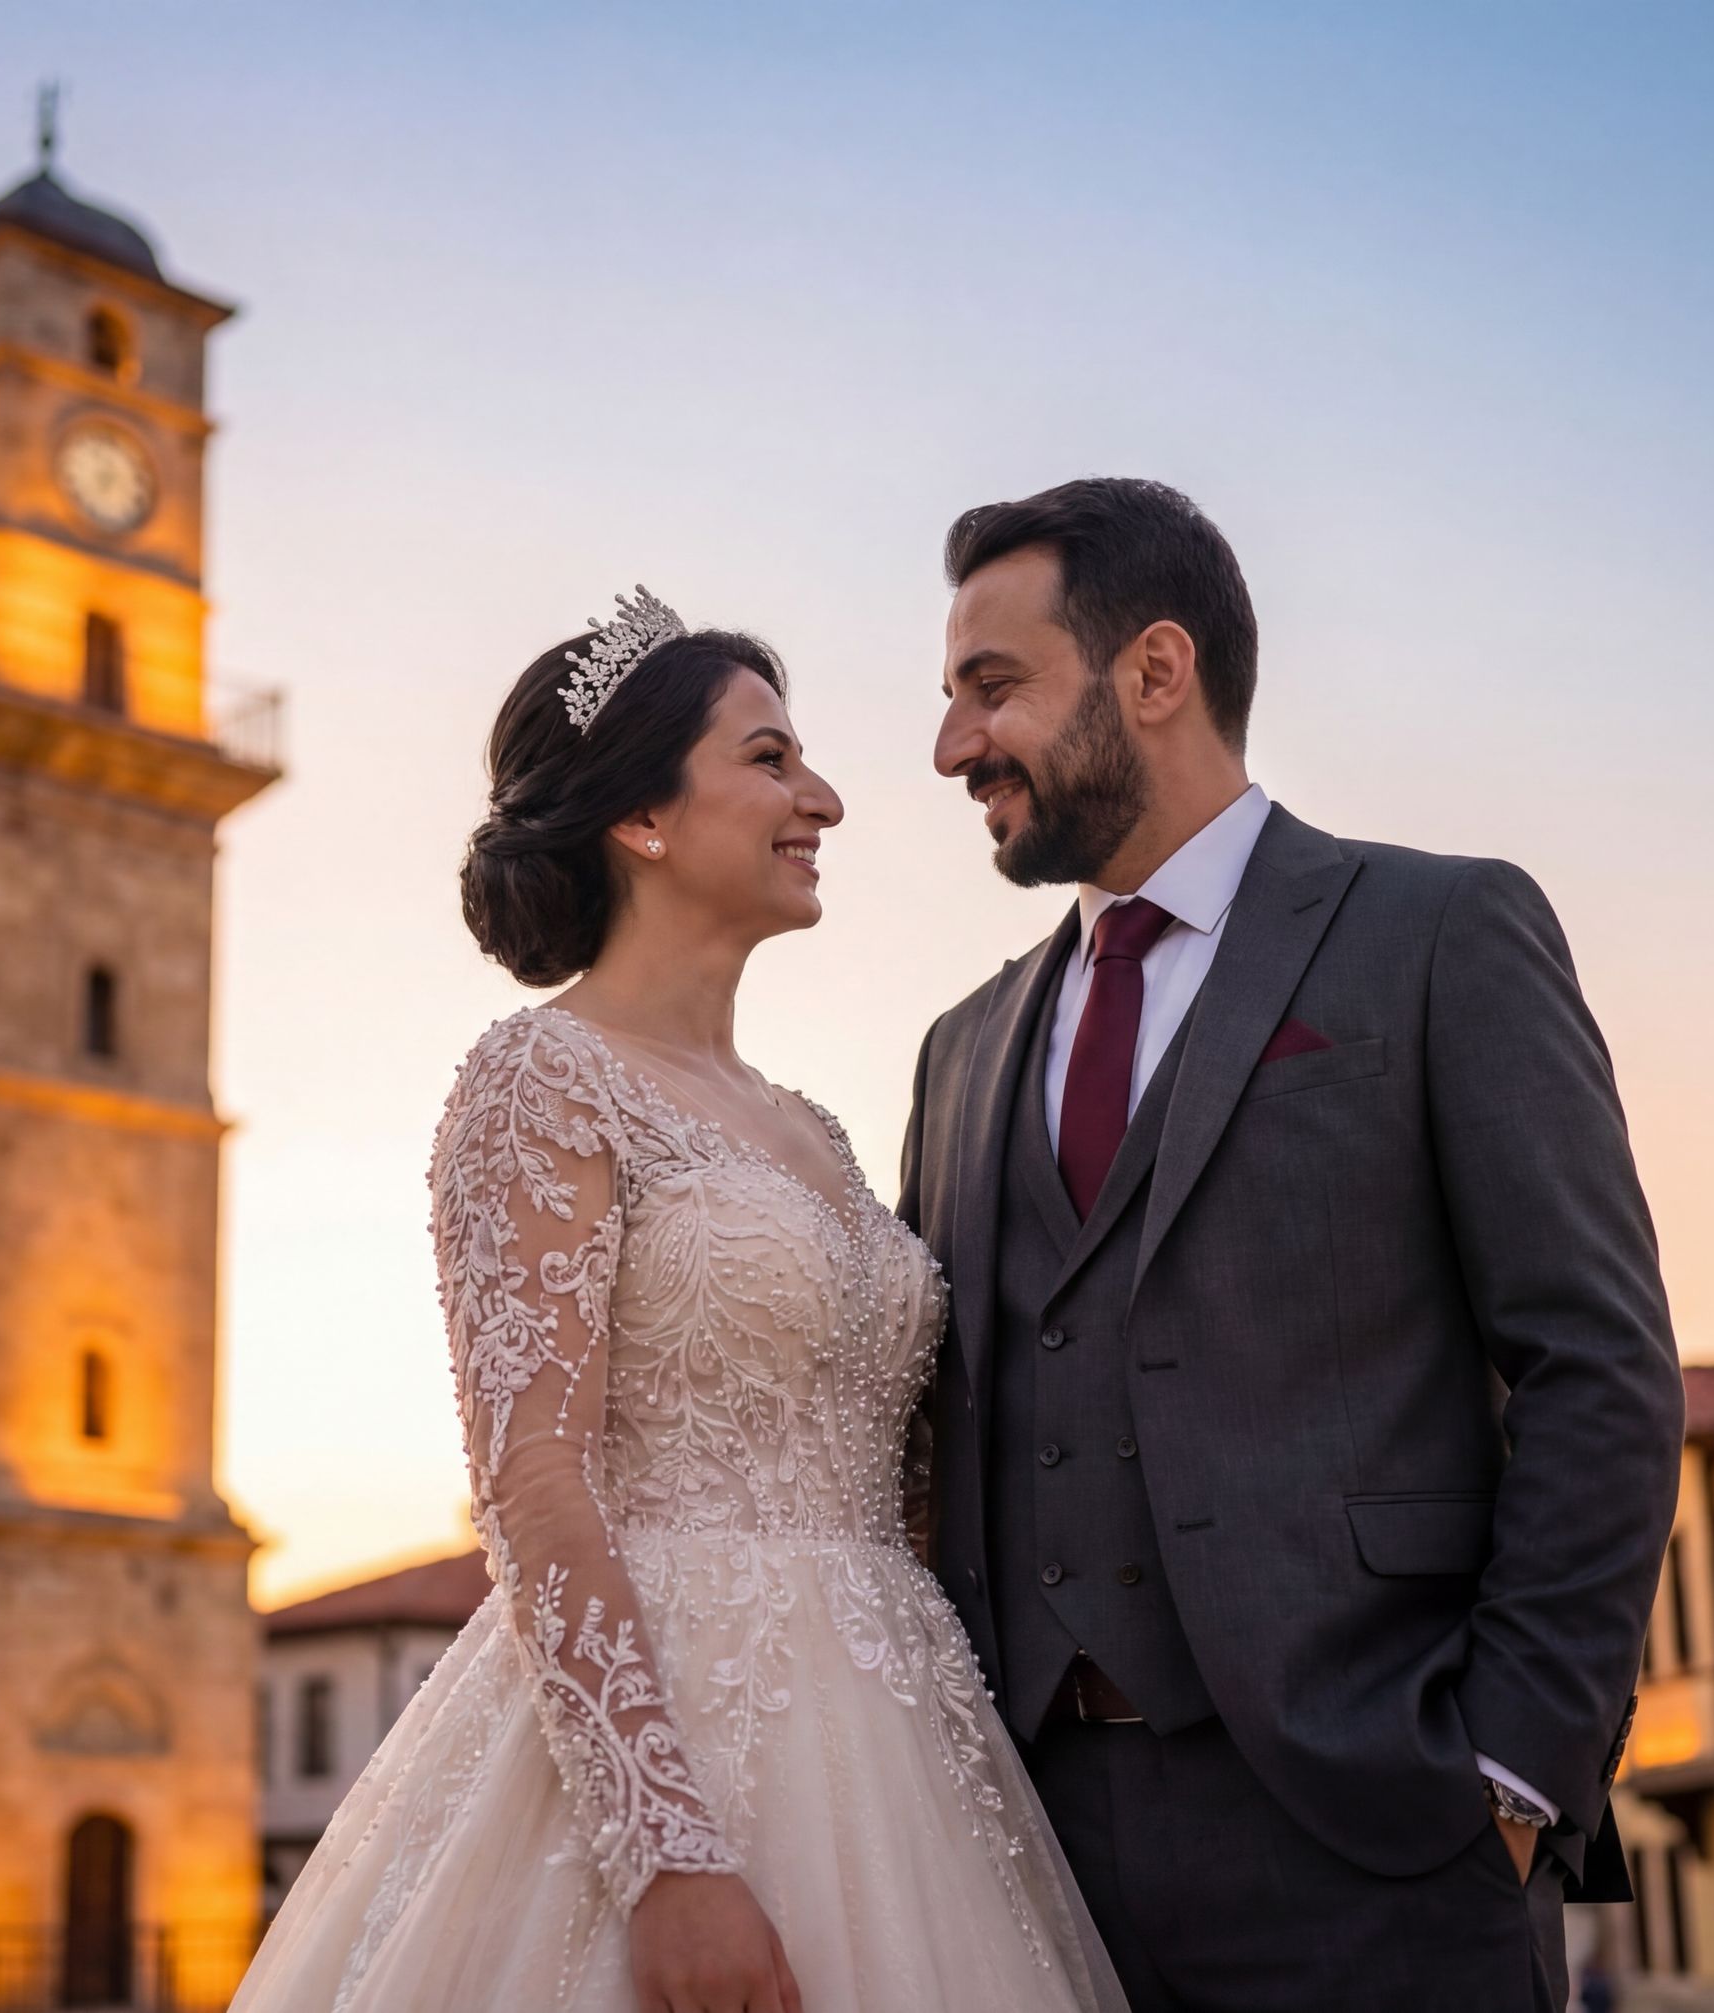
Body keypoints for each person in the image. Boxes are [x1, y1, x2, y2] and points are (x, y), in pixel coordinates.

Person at [232, 596, 1125, 2012]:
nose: (822, 798)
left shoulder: (817, 1133)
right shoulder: (540, 1080)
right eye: (771, 759)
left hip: (906, 1740)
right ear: (642, 816)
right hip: (671, 1739)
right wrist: (669, 1851)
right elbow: (534, 1480)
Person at [898, 477, 1685, 2011]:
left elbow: (1600, 1365)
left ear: (1156, 671)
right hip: (1023, 1866)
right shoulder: (960, 1049)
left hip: (1382, 1841)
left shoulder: (1438, 933)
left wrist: (1515, 1769)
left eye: (992, 688)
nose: (949, 746)